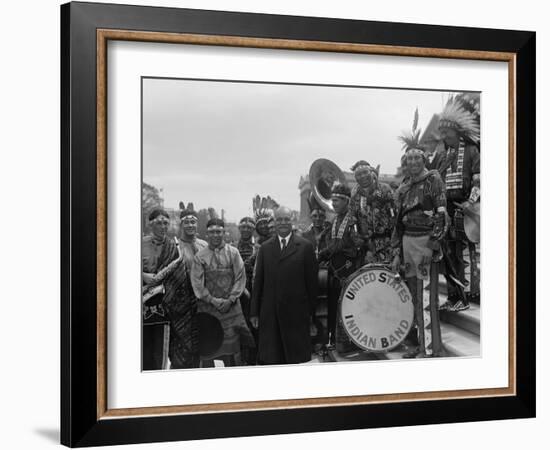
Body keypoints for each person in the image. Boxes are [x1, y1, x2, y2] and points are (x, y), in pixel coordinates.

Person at [391, 147, 448, 358]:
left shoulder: (434, 180)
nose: (413, 162)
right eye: (409, 159)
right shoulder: (404, 187)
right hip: (407, 246)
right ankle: (421, 344)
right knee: (414, 297)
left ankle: (431, 349)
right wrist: (397, 253)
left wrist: (432, 246)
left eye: (417, 158)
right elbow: (398, 224)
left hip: (425, 243)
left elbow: (442, 215)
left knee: (427, 298)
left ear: (424, 160)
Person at [250, 206, 318, 364]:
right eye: (279, 219)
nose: (283, 223)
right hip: (270, 312)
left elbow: (312, 285)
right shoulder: (265, 248)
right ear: (274, 222)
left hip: (296, 313)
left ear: (292, 221)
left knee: (294, 359)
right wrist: (254, 312)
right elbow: (258, 281)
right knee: (273, 359)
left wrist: (311, 314)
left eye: (286, 219)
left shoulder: (305, 247)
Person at [435, 98, 481, 311]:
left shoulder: (471, 151)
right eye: (442, 133)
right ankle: (454, 295)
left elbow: (479, 180)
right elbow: (436, 182)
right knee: (448, 253)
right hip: (447, 210)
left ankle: (469, 294)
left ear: (456, 132)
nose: (443, 136)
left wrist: (470, 203)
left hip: (465, 208)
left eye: (447, 133)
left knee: (463, 252)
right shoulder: (443, 155)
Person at [190, 218, 254, 366]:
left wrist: (231, 299)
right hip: (209, 309)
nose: (215, 235)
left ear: (224, 233)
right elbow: (197, 284)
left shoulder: (233, 253)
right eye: (212, 232)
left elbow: (240, 278)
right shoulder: (199, 257)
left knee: (232, 351)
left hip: (231, 309)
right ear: (207, 234)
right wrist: (213, 301)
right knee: (210, 350)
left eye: (218, 231)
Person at [142, 208, 199, 370]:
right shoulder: (140, 244)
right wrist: (143, 275)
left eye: (165, 223)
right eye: (158, 223)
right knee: (141, 350)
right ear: (150, 224)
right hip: (141, 306)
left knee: (161, 351)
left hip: (166, 308)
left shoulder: (174, 247)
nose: (163, 227)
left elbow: (180, 277)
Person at [317, 184, 361, 352]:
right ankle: (334, 339)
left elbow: (357, 243)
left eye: (336, 200)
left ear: (346, 201)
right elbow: (333, 242)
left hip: (349, 268)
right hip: (335, 270)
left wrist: (328, 251)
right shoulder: (335, 220)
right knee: (334, 304)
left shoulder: (353, 219)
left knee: (348, 305)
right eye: (333, 200)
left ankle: (348, 342)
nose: (333, 204)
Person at [349, 160, 396, 264]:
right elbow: (353, 220)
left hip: (386, 242)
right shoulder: (355, 196)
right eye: (359, 174)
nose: (363, 176)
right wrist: (356, 237)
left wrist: (394, 238)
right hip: (366, 246)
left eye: (365, 172)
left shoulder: (384, 189)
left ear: (371, 172)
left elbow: (393, 213)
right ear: (355, 178)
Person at [237, 216, 259, 364]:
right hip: (237, 294)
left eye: (249, 227)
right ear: (239, 229)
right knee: (239, 328)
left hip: (254, 293)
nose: (245, 230)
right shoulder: (231, 247)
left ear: (253, 229)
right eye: (243, 227)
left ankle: (253, 362)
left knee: (254, 328)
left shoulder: (259, 249)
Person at [178, 202, 208, 269]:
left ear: (197, 224)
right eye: (186, 222)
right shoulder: (175, 247)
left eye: (193, 222)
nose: (190, 225)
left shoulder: (204, 245)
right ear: (181, 225)